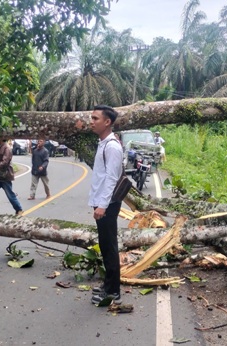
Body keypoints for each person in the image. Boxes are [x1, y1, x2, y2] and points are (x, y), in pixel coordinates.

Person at [88, 105, 124, 305]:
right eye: (91, 118)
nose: (91, 121)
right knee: (104, 244)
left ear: (107, 122)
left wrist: (102, 205)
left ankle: (113, 292)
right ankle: (108, 285)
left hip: (107, 203)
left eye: (95, 118)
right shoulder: (103, 143)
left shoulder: (111, 146)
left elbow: (111, 178)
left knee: (109, 246)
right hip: (101, 201)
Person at [0, 137, 24, 216]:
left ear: (1, 138)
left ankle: (19, 209)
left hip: (4, 176)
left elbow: (5, 162)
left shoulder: (7, 148)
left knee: (10, 195)